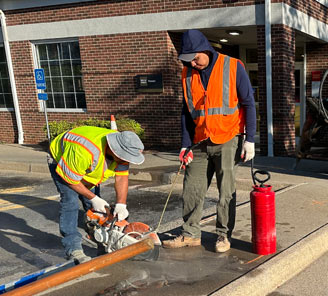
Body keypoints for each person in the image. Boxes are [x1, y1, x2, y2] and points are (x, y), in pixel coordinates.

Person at [163, 29, 257, 253]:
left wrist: (250, 139)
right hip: (199, 141)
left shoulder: (233, 66)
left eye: (196, 58)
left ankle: (223, 236)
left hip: (228, 138)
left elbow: (249, 104)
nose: (194, 64)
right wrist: (185, 144)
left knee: (226, 192)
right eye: (189, 60)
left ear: (205, 49)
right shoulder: (187, 74)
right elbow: (187, 112)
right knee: (192, 189)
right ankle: (190, 234)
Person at [48, 126, 145, 263]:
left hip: (87, 166)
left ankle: (104, 243)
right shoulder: (84, 151)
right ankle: (73, 249)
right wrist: (93, 198)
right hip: (63, 162)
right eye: (124, 157)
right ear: (114, 150)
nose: (125, 160)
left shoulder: (123, 147)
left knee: (97, 209)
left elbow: (122, 177)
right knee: (70, 201)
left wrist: (121, 204)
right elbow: (69, 179)